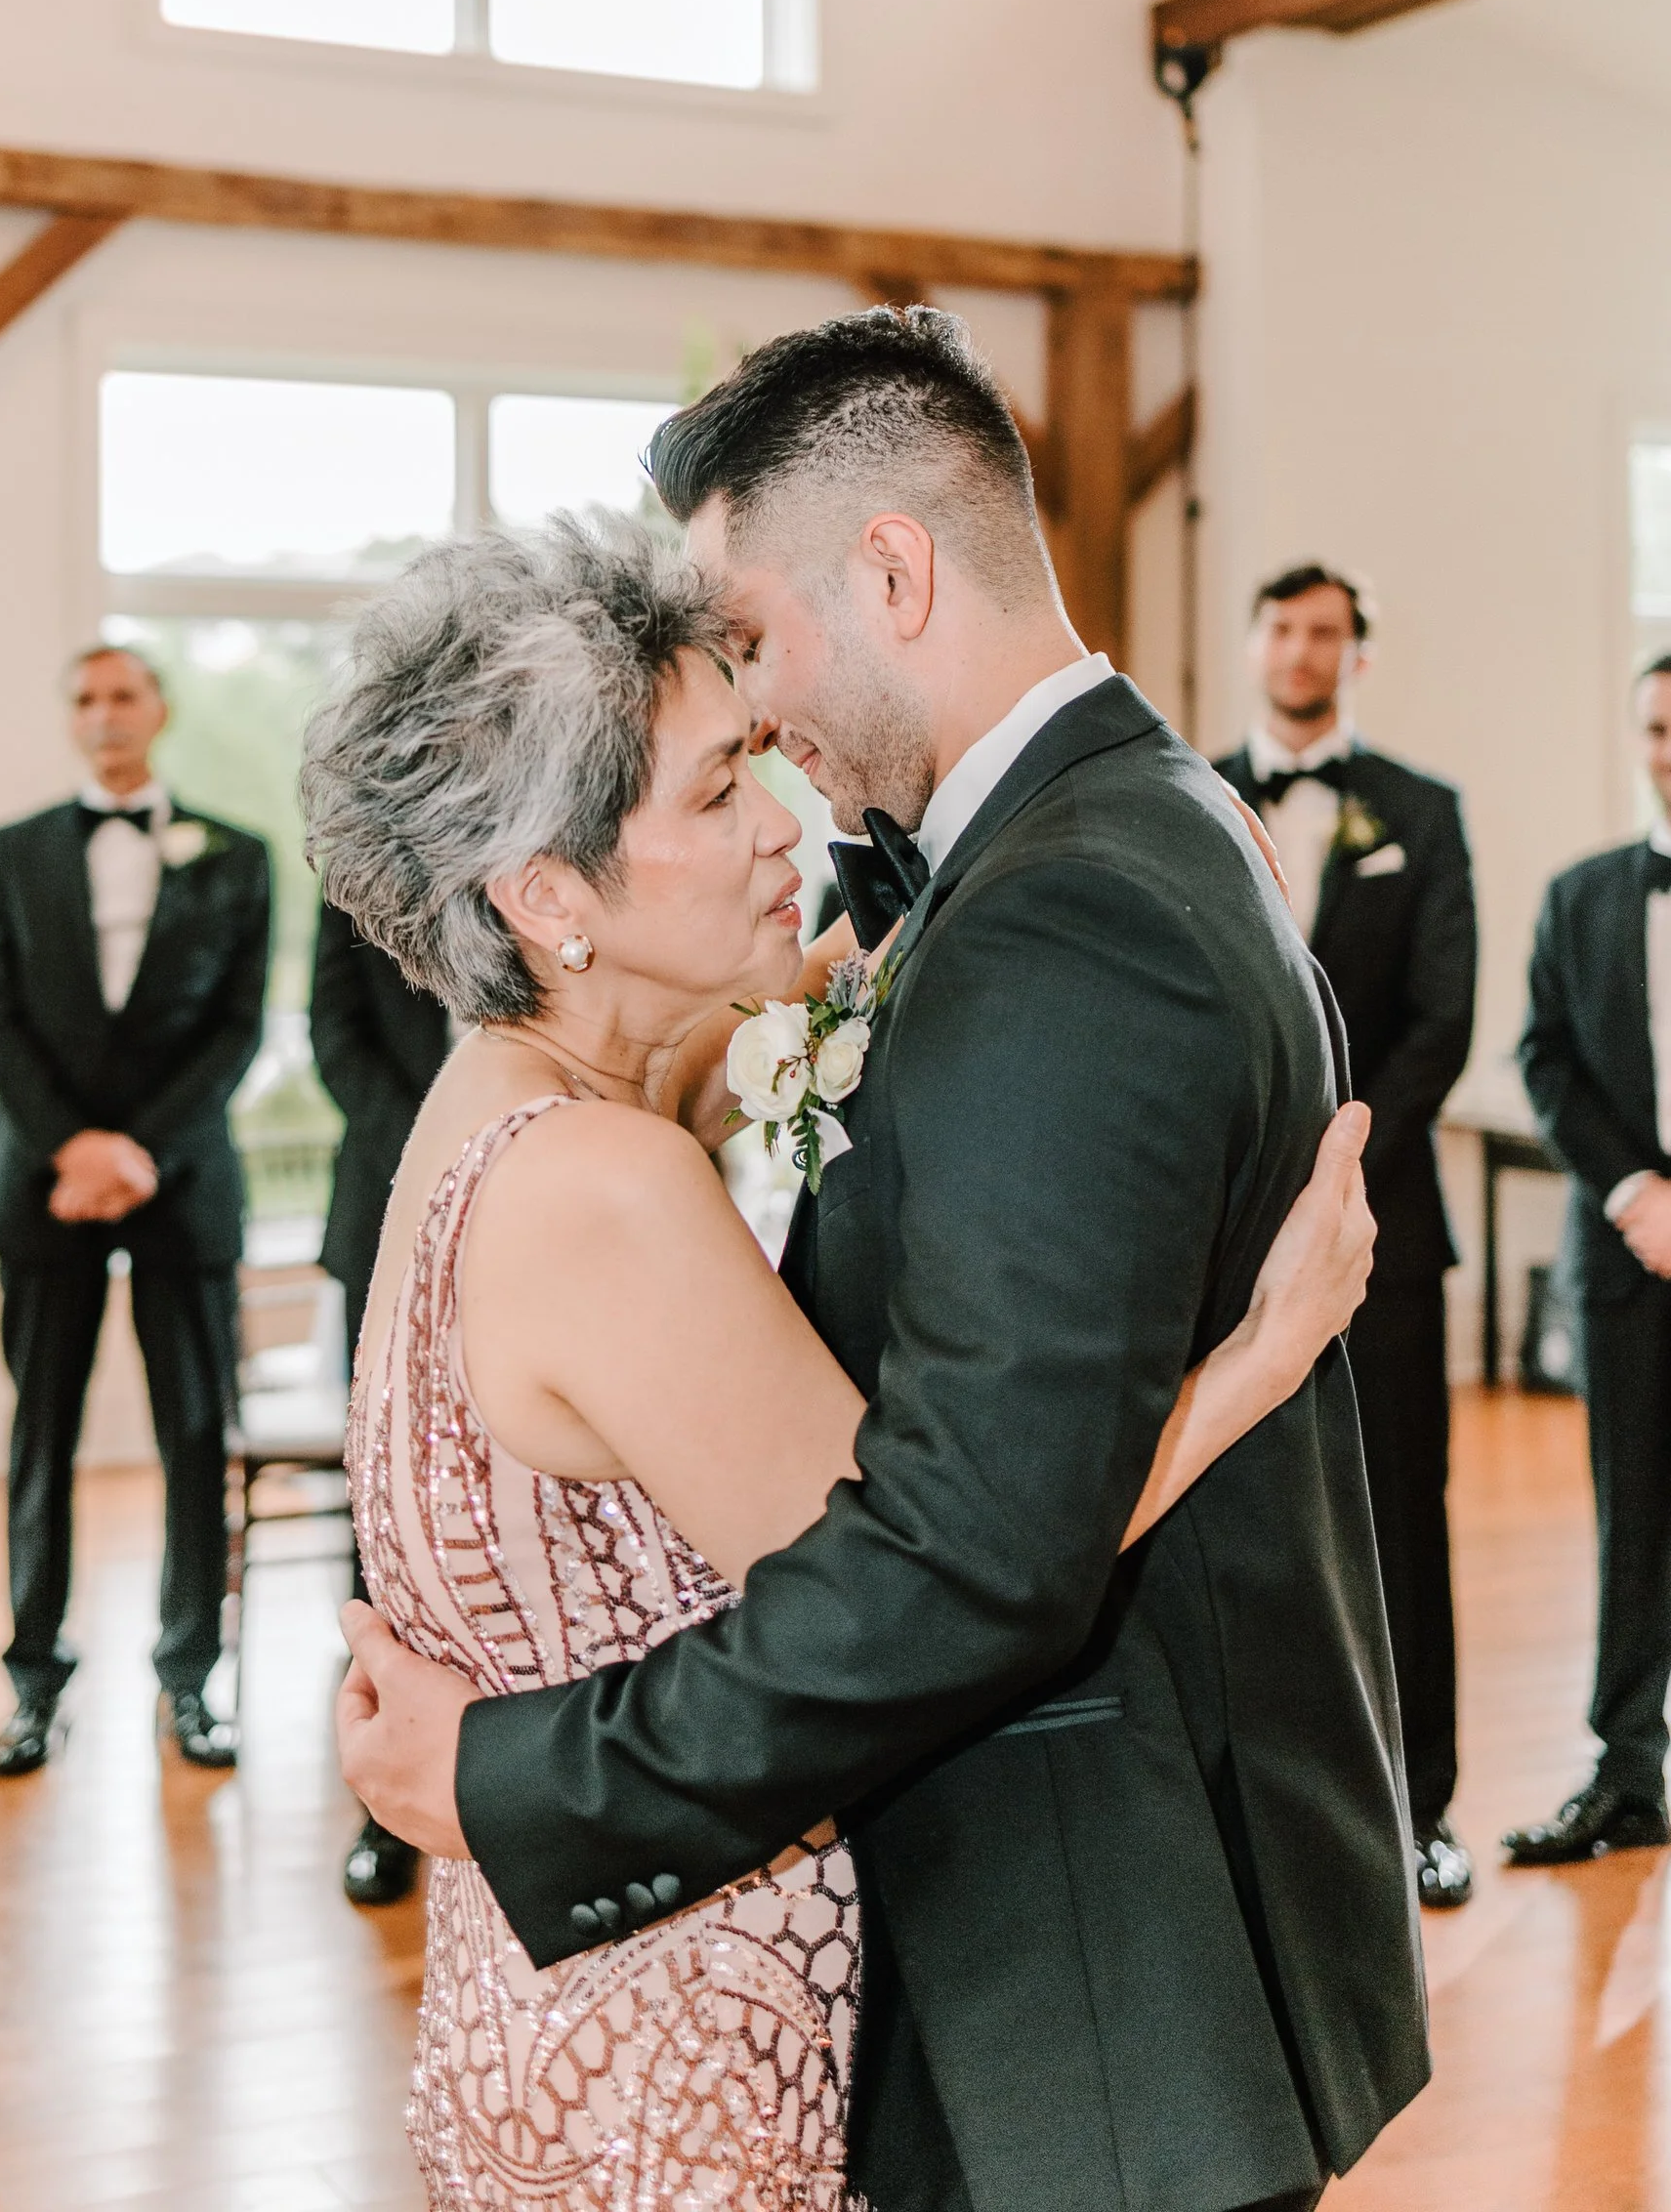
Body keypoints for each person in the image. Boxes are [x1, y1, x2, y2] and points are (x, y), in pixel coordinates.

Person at [333, 311, 1428, 2212]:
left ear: (894, 572)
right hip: (729, 2023)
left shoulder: (1064, 903)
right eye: (707, 773)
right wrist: (1256, 1362)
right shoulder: (623, 1148)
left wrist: (514, 1780)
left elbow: (959, 1553)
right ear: (546, 896)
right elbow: (955, 1536)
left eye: (746, 647)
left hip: (1081, 1979)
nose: (765, 749)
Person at [1216, 562, 1478, 1909]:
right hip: (1229, 1240)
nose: (1304, 651)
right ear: (1255, 643)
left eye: (1327, 633)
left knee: (1401, 1517)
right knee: (1246, 1522)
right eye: (1284, 628)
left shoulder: (1423, 816)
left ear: (1354, 656)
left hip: (1390, 1230)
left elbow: (1446, 1015)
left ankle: (1421, 1805)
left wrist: (1346, 1164)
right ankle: (1265, 1816)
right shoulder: (1196, 800)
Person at [0, 646, 271, 1776]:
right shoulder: (13, 855)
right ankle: (32, 1681)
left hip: (181, 1183)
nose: (105, 715)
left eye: (123, 696)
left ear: (160, 710)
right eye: (85, 698)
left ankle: (191, 1679)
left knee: (194, 1439)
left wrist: (141, 1150)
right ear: (71, 720)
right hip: (46, 1181)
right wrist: (78, 1147)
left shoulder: (236, 858)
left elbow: (237, 1028)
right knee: (41, 1439)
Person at [1506, 655, 1671, 1866]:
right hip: (1630, 1252)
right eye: (1660, 728)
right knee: (1636, 1516)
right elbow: (1546, 1060)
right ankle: (1630, 1769)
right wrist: (1635, 1191)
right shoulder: (1580, 897)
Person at [310, 895, 449, 1904]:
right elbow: (336, 1035)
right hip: (388, 1204)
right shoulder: (359, 866)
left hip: (549, 1199)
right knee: (388, 1496)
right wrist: (445, 1143)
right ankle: (388, 1810)